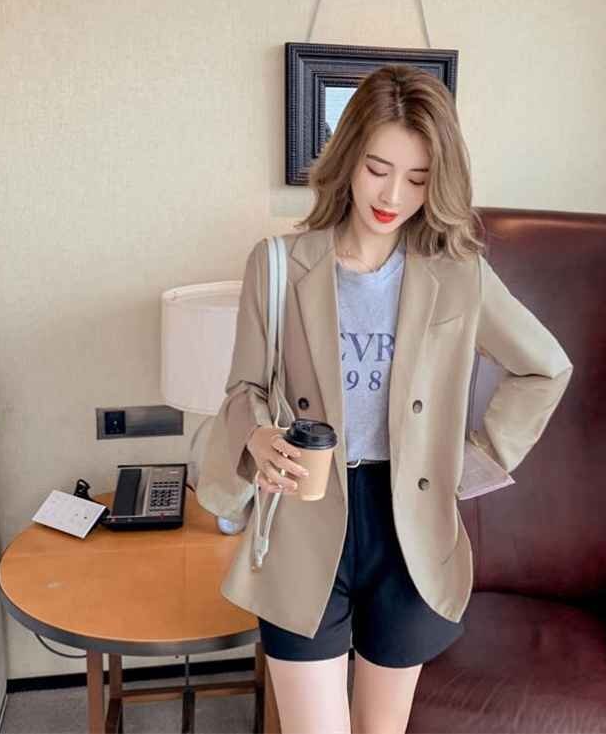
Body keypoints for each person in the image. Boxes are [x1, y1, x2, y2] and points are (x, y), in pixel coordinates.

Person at [209, 64, 573, 734]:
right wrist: (257, 436)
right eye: (378, 168)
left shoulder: (457, 274)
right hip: (304, 514)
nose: (393, 194)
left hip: (409, 526)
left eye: (419, 178)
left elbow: (545, 367)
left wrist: (472, 461)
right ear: (349, 158)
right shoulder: (279, 264)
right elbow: (243, 390)